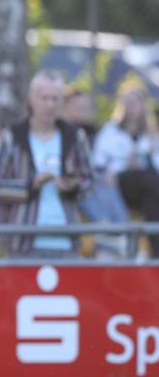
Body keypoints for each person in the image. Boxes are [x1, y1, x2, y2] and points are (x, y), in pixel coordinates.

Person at [0, 70, 94, 257]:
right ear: (31, 99)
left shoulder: (75, 137)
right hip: (21, 240)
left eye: (55, 99)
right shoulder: (11, 138)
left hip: (66, 238)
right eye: (44, 98)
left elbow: (89, 181)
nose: (50, 105)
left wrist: (71, 186)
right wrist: (30, 185)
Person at [92, 81, 159, 256]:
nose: (133, 107)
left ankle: (153, 248)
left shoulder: (153, 134)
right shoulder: (110, 131)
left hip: (148, 189)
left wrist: (149, 154)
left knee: (152, 190)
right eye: (129, 102)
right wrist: (122, 164)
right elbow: (99, 162)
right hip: (119, 183)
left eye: (136, 102)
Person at [66, 87, 128, 258]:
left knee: (105, 183)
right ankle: (110, 239)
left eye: (86, 106)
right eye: (78, 106)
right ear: (67, 107)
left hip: (98, 178)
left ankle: (119, 235)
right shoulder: (63, 132)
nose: (83, 110)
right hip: (76, 181)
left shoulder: (97, 133)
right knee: (93, 183)